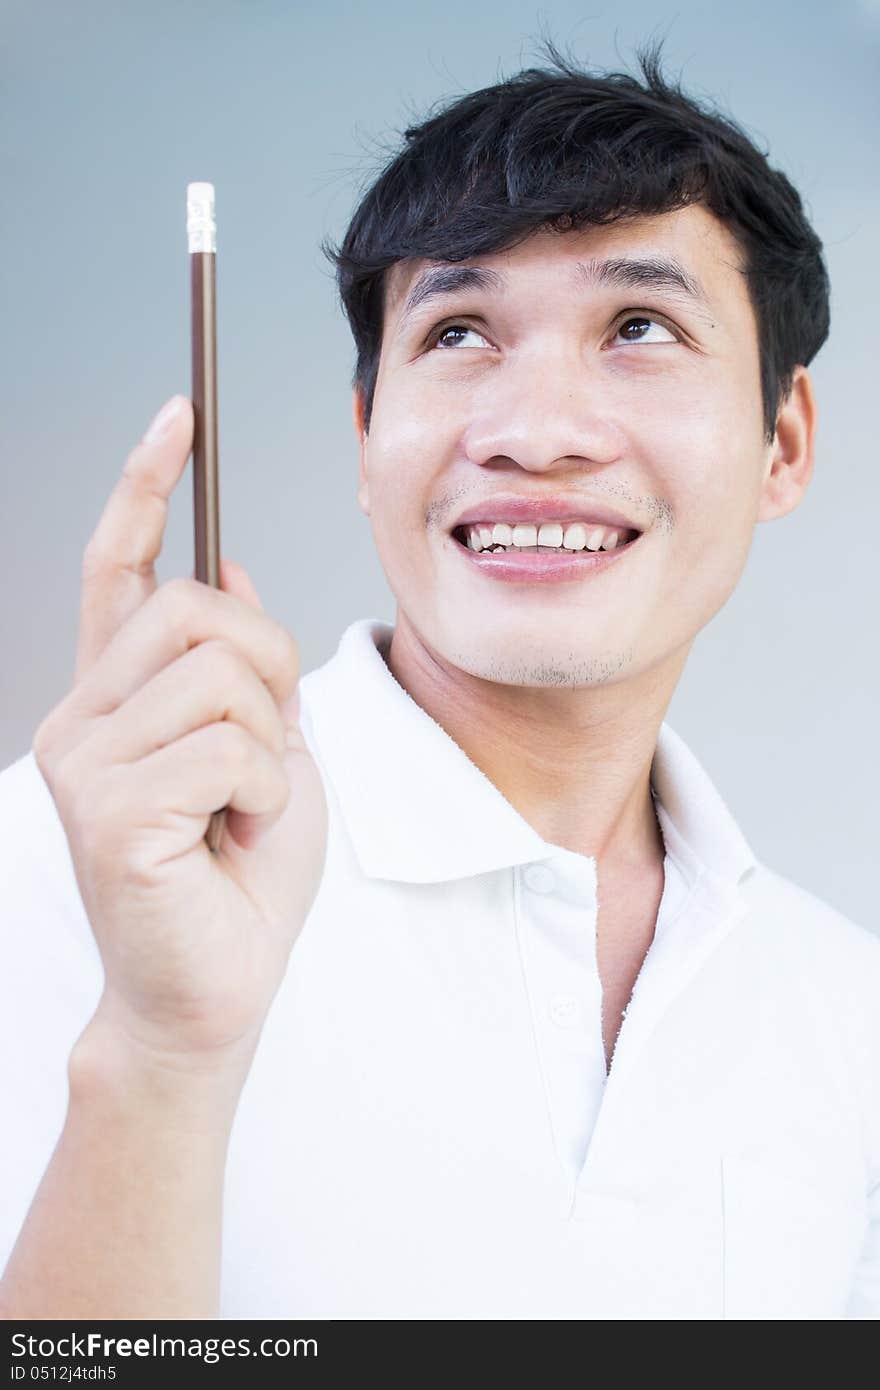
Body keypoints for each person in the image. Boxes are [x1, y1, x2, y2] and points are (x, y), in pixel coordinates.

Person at [1, 37, 877, 1322]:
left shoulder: (842, 1009)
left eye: (638, 327)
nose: (533, 432)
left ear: (780, 442)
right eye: (460, 331)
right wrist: (160, 1053)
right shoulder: (65, 858)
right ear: (368, 440)